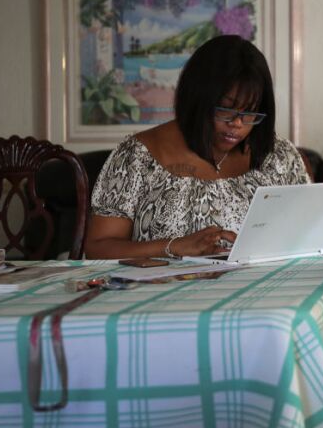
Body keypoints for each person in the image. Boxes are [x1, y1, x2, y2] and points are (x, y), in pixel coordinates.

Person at [84, 35, 310, 260]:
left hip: (264, 290)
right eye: (226, 109)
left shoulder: (279, 156)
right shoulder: (136, 157)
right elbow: (98, 248)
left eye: (250, 112)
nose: (237, 123)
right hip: (164, 291)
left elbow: (310, 234)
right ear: (197, 99)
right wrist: (175, 247)